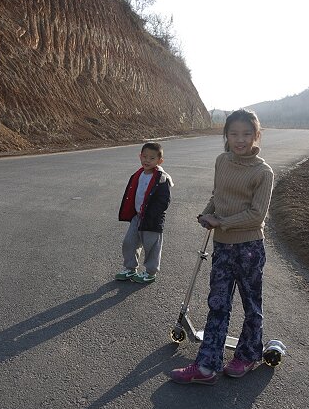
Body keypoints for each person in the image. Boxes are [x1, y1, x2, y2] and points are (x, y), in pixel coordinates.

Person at [170, 109, 274, 384]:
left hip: (250, 246)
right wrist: (206, 214)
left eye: (247, 134)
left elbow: (257, 215)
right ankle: (207, 366)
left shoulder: (263, 172)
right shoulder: (222, 161)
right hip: (222, 245)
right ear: (226, 135)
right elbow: (218, 195)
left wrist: (222, 221)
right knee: (218, 303)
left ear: (256, 135)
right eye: (234, 134)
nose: (240, 140)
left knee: (251, 303)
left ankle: (249, 354)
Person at [115, 142, 173, 284]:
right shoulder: (138, 174)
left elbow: (164, 201)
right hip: (137, 216)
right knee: (130, 242)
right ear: (140, 156)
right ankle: (130, 268)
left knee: (152, 246)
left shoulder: (162, 178)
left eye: (152, 158)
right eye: (144, 156)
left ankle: (150, 272)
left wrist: (151, 214)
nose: (147, 160)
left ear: (160, 161)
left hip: (152, 220)